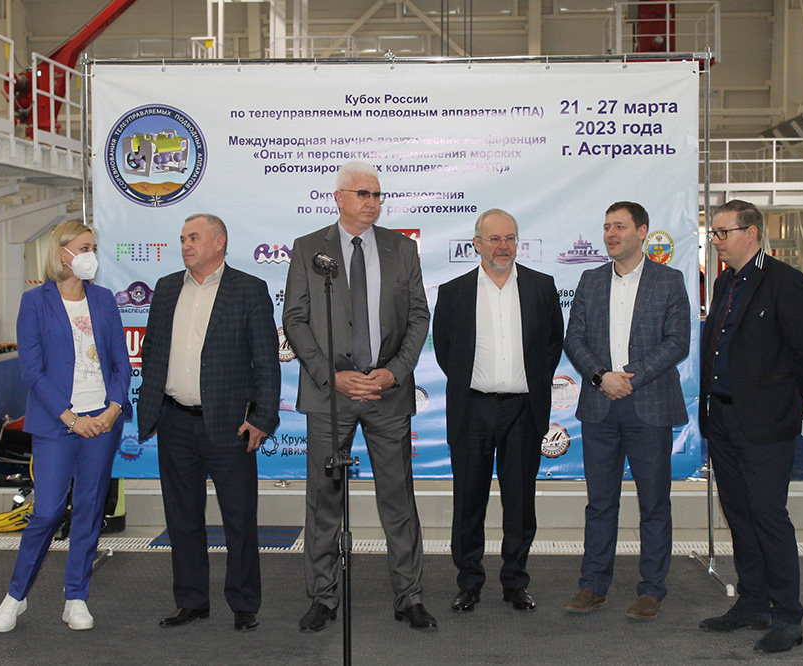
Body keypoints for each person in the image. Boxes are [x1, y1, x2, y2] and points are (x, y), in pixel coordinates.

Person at [282, 161, 434, 632]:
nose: (372, 202)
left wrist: (394, 372)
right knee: (324, 500)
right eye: (363, 193)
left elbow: (418, 316)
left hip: (387, 393)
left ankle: (409, 596)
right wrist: (333, 377)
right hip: (331, 395)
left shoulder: (401, 248)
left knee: (398, 498)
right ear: (339, 198)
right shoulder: (309, 249)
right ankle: (322, 597)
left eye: (377, 194)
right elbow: (295, 319)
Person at [136, 213, 280, 633]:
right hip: (175, 422)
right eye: (183, 238)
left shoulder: (249, 289)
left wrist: (262, 418)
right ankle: (191, 601)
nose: (185, 245)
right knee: (182, 518)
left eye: (194, 238)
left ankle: (244, 603)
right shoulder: (166, 288)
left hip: (230, 426)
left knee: (239, 519)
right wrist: (154, 406)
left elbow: (267, 362)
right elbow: (152, 350)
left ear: (219, 242)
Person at [0, 221, 131, 633]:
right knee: (48, 511)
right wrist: (70, 418)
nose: (91, 254)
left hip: (102, 424)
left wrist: (113, 410)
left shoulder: (103, 300)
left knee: (89, 509)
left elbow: (121, 363)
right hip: (57, 425)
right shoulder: (35, 301)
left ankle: (76, 596)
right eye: (84, 247)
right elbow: (32, 372)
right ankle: (16, 595)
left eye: (93, 247)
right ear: (62, 253)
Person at [699, 200, 803, 653]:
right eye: (714, 233)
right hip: (723, 417)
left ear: (750, 232)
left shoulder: (785, 281)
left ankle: (788, 616)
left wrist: (785, 396)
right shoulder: (725, 282)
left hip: (765, 422)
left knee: (769, 516)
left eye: (723, 232)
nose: (716, 240)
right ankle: (753, 602)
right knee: (739, 514)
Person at [562, 201, 690, 620]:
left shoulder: (669, 280)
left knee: (654, 503)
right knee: (600, 503)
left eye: (619, 226)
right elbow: (574, 338)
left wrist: (630, 377)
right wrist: (602, 377)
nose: (611, 234)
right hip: (600, 407)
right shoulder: (590, 280)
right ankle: (593, 586)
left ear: (642, 231)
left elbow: (677, 342)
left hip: (649, 406)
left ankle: (652, 589)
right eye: (606, 227)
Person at [432, 209, 564, 614]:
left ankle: (515, 583)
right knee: (468, 501)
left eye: (509, 238)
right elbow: (445, 351)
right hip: (472, 410)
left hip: (523, 411)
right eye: (493, 239)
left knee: (520, 503)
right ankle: (469, 583)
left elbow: (552, 344)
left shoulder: (542, 287)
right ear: (477, 244)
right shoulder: (454, 292)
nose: (502, 246)